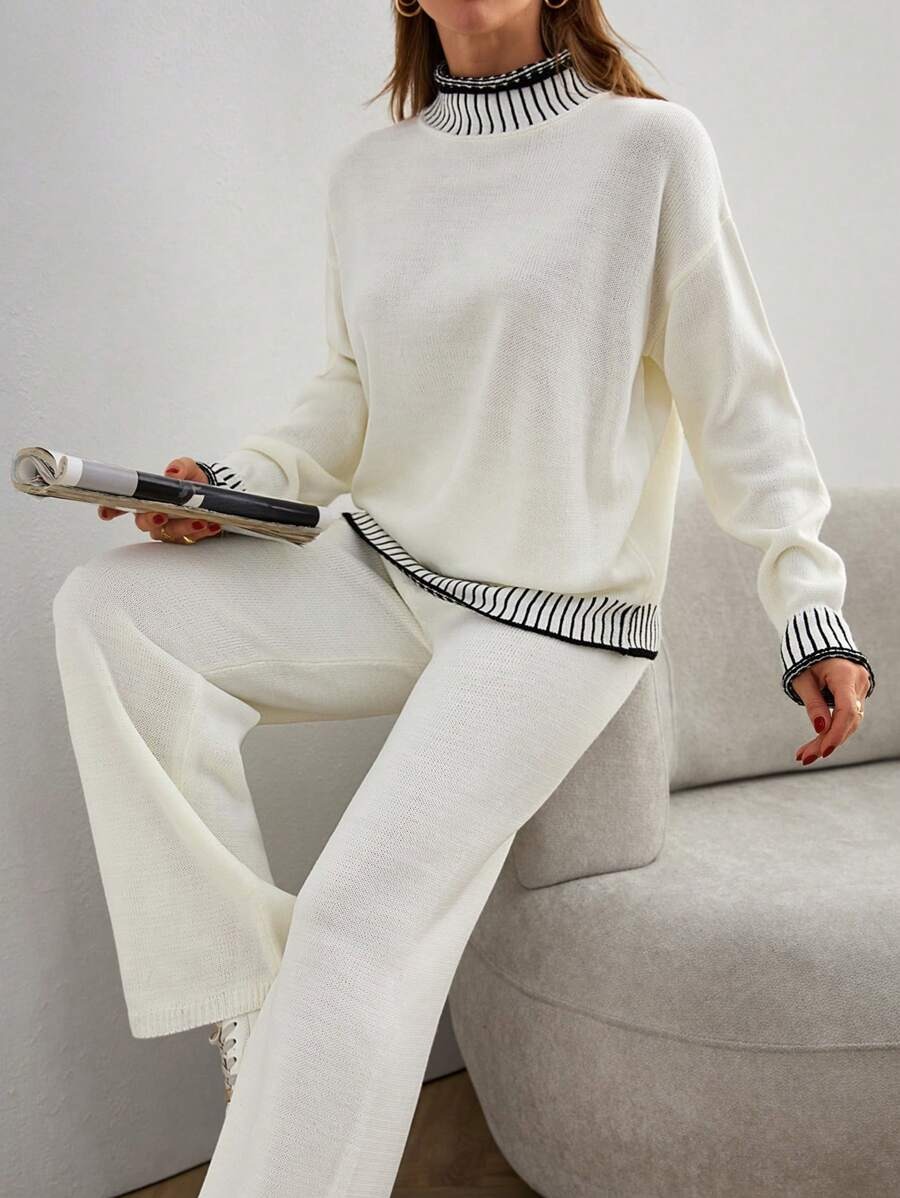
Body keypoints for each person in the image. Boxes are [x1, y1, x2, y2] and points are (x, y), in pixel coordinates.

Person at [51, 1, 877, 1195]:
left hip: (554, 616)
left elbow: (739, 397)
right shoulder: (370, 173)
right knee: (112, 610)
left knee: (353, 919)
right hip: (390, 564)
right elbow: (348, 392)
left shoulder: (648, 150)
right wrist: (232, 486)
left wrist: (807, 601)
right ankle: (251, 1000)